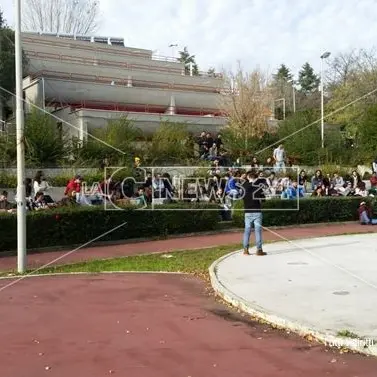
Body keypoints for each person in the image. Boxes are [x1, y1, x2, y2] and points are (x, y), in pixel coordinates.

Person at [242, 171, 266, 256]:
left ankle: (245, 250)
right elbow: (263, 200)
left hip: (247, 211)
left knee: (247, 230)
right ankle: (259, 250)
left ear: (248, 177)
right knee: (258, 231)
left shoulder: (244, 186)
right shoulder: (258, 187)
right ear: (255, 178)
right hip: (257, 211)